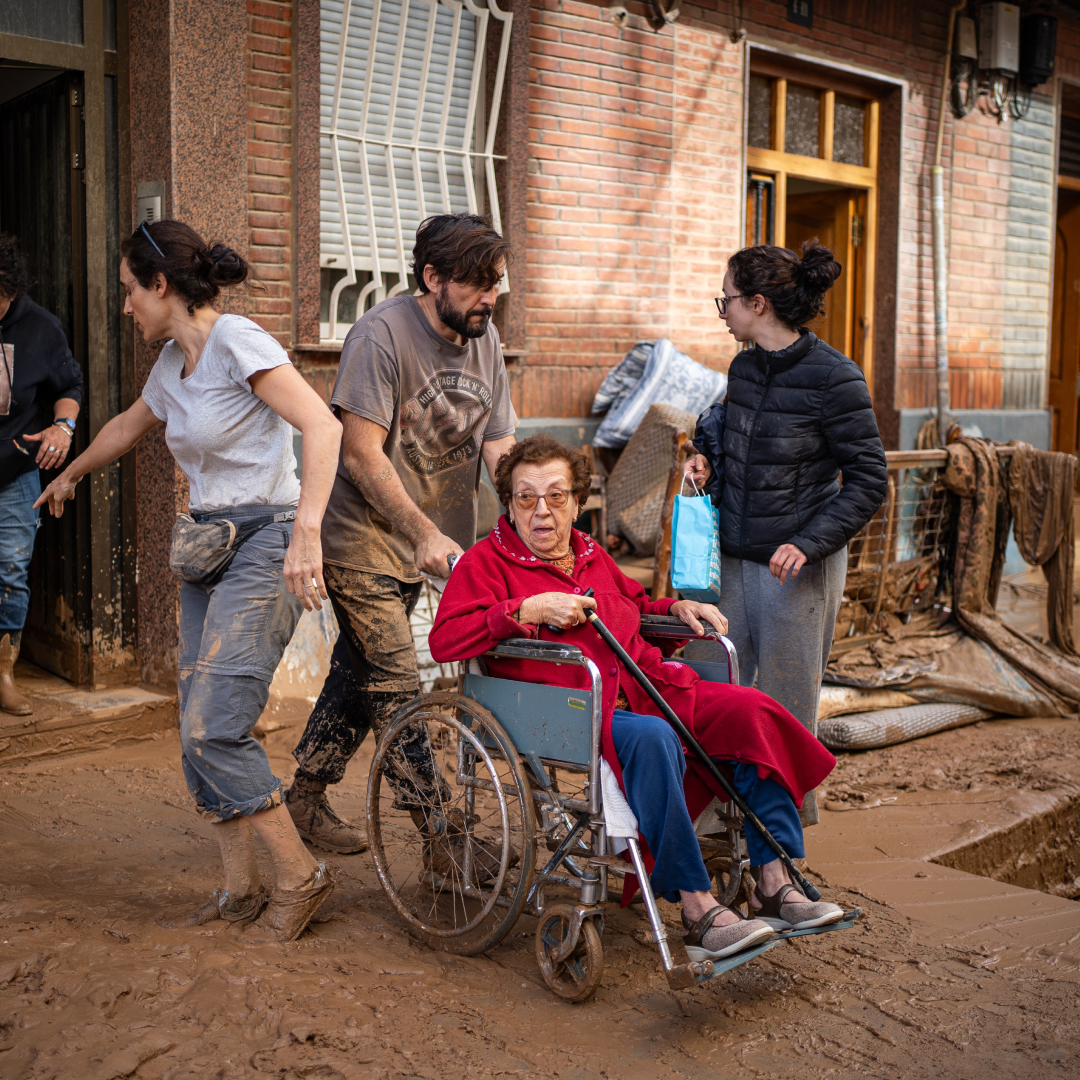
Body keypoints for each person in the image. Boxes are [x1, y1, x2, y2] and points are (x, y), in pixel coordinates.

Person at [36, 220, 343, 942]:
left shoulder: (239, 341)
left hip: (266, 541)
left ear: (161, 284)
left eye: (129, 290)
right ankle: (240, 889)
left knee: (215, 724)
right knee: (193, 725)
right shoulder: (172, 364)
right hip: (208, 548)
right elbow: (127, 426)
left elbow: (323, 427)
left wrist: (307, 533)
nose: (125, 306)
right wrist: (72, 474)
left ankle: (300, 875)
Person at [429, 435, 846, 961]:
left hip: (645, 686)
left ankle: (773, 881)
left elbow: (635, 604)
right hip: (568, 708)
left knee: (753, 711)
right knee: (655, 738)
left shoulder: (590, 553)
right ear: (509, 505)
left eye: (556, 496)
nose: (541, 511)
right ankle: (696, 907)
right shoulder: (485, 563)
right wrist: (528, 610)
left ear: (576, 504)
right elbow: (445, 640)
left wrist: (675, 610)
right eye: (526, 497)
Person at [284, 213, 517, 854]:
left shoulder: (486, 338)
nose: (491, 298)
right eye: (477, 285)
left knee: (358, 674)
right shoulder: (380, 335)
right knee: (394, 684)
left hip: (425, 543)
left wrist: (534, 508)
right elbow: (360, 454)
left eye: (496, 283)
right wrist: (421, 532)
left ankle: (303, 799)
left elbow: (499, 444)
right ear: (432, 277)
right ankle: (444, 838)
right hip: (363, 538)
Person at [686, 241, 887, 822]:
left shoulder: (836, 377)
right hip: (730, 558)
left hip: (795, 570)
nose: (722, 312)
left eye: (726, 300)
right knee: (713, 686)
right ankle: (716, 828)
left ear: (758, 304)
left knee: (786, 706)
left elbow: (869, 480)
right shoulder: (745, 367)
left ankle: (780, 842)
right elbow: (735, 434)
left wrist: (807, 542)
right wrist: (706, 457)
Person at [0, 233, 83, 714]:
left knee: (10, 570)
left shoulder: (41, 328)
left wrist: (63, 427)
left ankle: (3, 673)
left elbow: (69, 385)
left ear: (11, 292)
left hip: (14, 470)